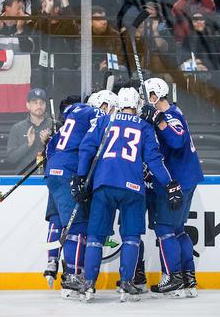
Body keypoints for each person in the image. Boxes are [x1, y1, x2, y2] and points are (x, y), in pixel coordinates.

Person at [74, 87, 181, 302]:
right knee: (131, 237)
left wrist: (80, 177)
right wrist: (169, 183)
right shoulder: (144, 126)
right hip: (132, 188)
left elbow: (87, 148)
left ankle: (88, 284)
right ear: (137, 104)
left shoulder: (105, 120)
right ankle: (126, 282)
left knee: (95, 236)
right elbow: (153, 160)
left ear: (119, 104)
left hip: (104, 184)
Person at [140, 77, 203, 297]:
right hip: (186, 179)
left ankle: (173, 277)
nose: (143, 101)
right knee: (178, 230)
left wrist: (159, 120)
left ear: (155, 96)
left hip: (178, 182)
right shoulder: (172, 112)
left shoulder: (170, 116)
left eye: (146, 96)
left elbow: (177, 140)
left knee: (165, 229)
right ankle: (188, 278)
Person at [43, 97, 101, 298]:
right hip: (69, 171)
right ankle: (72, 275)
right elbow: (92, 146)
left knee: (57, 219)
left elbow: (50, 146)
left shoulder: (72, 116)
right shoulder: (94, 114)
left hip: (54, 170)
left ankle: (52, 260)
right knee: (77, 225)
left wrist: (55, 166)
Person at [6, 87, 53, 173]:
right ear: (28, 105)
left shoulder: (55, 126)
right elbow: (11, 159)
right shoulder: (17, 128)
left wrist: (48, 143)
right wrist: (28, 145)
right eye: (35, 103)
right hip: (24, 179)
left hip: (49, 177)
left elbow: (63, 156)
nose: (39, 106)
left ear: (46, 105)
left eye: (42, 103)